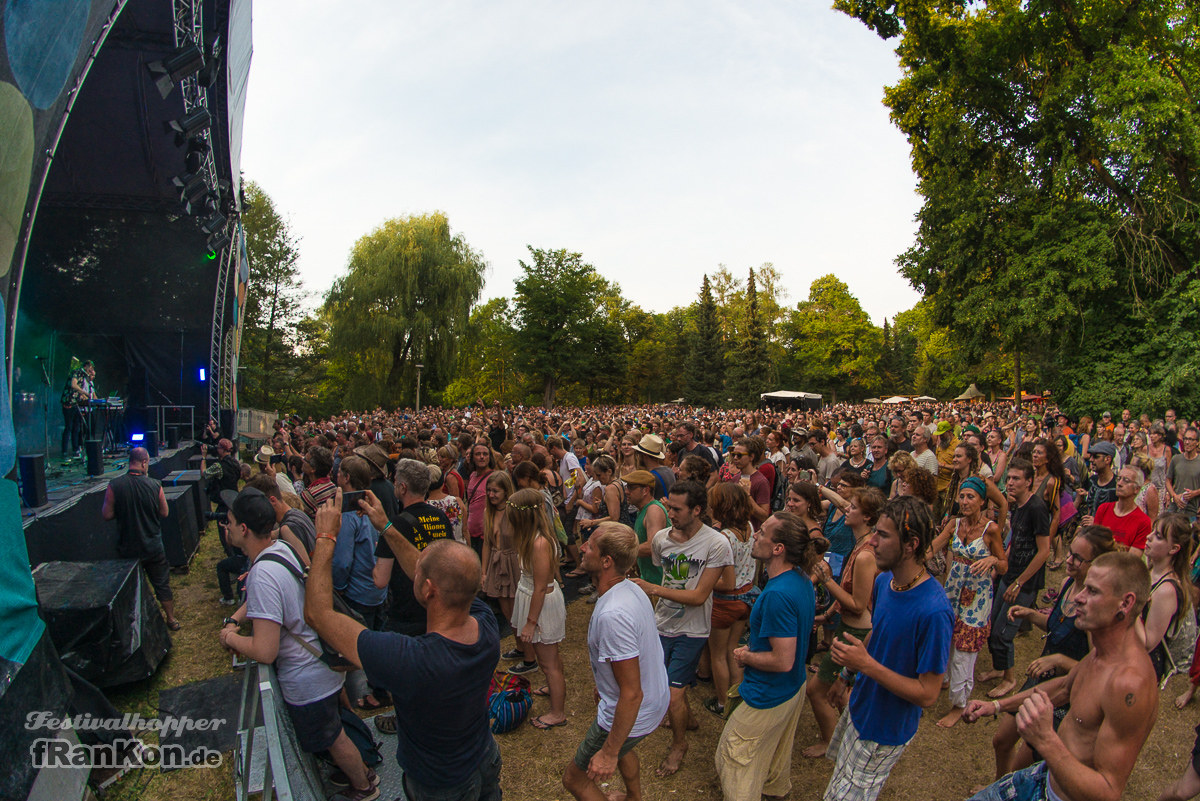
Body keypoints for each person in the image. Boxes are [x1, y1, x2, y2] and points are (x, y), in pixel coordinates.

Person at [307, 488, 501, 801]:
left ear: (427, 590)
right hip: (483, 758)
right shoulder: (485, 624)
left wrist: (325, 537)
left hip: (440, 784)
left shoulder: (410, 659)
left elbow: (319, 614)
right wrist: (385, 527)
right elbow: (429, 568)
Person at [218, 487, 377, 801]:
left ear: (244, 529)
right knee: (336, 731)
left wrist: (231, 637)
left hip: (307, 679)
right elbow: (270, 601)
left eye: (230, 522)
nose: (226, 527)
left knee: (333, 737)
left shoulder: (261, 573)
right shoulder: (279, 549)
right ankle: (359, 770)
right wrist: (238, 616)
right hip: (322, 665)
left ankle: (364, 786)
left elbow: (266, 649)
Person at [963, 552, 1159, 801]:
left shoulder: (1129, 685)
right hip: (1044, 776)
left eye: (1092, 591)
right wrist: (996, 706)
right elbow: (1065, 688)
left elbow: (1109, 791)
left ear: (1125, 603)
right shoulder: (1102, 652)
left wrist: (1045, 741)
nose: (1079, 598)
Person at [822, 495, 954, 801]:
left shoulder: (934, 612)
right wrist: (846, 675)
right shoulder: (886, 583)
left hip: (884, 730)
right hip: (861, 709)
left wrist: (865, 665)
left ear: (911, 544)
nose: (873, 543)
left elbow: (929, 694)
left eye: (883, 535)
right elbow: (877, 635)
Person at [986, 526, 1115, 781]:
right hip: (1039, 680)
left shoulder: (1093, 608)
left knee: (1023, 766)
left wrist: (1059, 660)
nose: (1069, 560)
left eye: (1078, 558)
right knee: (1001, 741)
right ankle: (999, 790)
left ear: (1097, 564)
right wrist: (1031, 614)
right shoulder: (1068, 584)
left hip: (1065, 694)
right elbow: (1056, 625)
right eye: (1070, 553)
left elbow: (1097, 667)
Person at [630, 480, 733, 779]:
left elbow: (700, 595)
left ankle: (679, 745)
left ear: (697, 510)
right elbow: (668, 577)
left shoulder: (716, 543)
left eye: (676, 509)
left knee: (671, 695)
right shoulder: (662, 540)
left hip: (693, 629)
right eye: (668, 506)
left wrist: (652, 589)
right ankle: (688, 721)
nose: (669, 513)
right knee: (666, 684)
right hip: (662, 624)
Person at [714, 512, 818, 801]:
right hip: (792, 689)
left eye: (762, 532)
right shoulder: (800, 578)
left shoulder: (777, 595)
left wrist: (747, 656)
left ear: (778, 548)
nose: (755, 535)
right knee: (773, 761)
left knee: (734, 757)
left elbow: (782, 659)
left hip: (768, 694)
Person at [562, 523, 669, 801]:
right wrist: (607, 684)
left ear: (606, 561)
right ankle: (634, 797)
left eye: (590, 546)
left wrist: (608, 753)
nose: (582, 548)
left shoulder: (613, 614)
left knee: (575, 778)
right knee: (625, 747)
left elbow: (631, 694)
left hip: (636, 710)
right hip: (652, 701)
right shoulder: (629, 588)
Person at [369, 458, 453, 733]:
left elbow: (380, 580)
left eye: (395, 482)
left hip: (406, 611)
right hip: (437, 606)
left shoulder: (394, 526)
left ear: (402, 488)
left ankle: (405, 719)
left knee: (405, 673)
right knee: (434, 670)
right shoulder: (440, 517)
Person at [804, 487, 881, 758]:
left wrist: (826, 580)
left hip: (856, 631)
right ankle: (853, 736)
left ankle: (831, 741)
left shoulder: (865, 555)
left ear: (868, 517)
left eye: (854, 508)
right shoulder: (860, 544)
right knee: (841, 690)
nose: (847, 509)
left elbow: (858, 604)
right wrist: (825, 616)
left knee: (816, 690)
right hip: (847, 627)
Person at [930, 476, 1008, 727]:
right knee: (947, 638)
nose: (964, 501)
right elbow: (933, 548)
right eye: (961, 496)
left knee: (965, 650)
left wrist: (993, 561)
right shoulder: (954, 524)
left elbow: (1005, 565)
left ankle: (959, 705)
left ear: (982, 501)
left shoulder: (991, 529)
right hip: (953, 590)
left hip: (977, 596)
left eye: (970, 497)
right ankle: (945, 681)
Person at [979, 458, 1051, 699]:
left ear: (1029, 482)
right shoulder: (1017, 506)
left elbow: (1044, 551)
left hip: (1024, 582)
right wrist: (1000, 565)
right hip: (1009, 575)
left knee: (1003, 632)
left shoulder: (1037, 508)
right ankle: (999, 669)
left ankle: (1010, 679)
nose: (1010, 482)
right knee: (992, 625)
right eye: (1008, 478)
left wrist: (1020, 582)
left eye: (1016, 479)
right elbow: (1014, 541)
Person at [507, 488, 569, 729]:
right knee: (549, 658)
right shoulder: (530, 538)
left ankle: (557, 713)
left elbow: (541, 587)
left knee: (549, 661)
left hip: (540, 605)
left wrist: (531, 623)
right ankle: (553, 689)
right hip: (532, 599)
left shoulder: (540, 543)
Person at [101, 447, 179, 630]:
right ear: (144, 462)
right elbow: (165, 512)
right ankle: (171, 619)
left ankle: (132, 625)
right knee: (162, 584)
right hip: (152, 546)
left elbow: (106, 514)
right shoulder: (155, 485)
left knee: (129, 588)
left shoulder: (114, 485)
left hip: (127, 547)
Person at [704, 482, 759, 718]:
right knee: (732, 651)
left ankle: (721, 702)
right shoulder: (749, 526)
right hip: (746, 597)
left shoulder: (723, 537)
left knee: (718, 654)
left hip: (725, 600)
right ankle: (736, 697)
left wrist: (700, 581)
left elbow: (726, 582)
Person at [1089, 466, 1153, 556]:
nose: (1119, 483)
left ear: (1137, 489)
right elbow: (1093, 544)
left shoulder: (1143, 521)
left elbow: (1132, 558)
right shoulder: (1103, 509)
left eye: (1126, 480)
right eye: (1118, 479)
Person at [624, 469, 668, 588]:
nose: (626, 491)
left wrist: (622, 552)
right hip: (649, 580)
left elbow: (651, 547)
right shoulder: (643, 510)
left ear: (645, 490)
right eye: (627, 487)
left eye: (631, 488)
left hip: (659, 584)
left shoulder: (653, 510)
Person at [60, 359, 96, 457]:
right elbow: (73, 385)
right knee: (68, 427)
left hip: (76, 403)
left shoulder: (84, 376)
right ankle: (64, 451)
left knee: (76, 427)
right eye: (90, 368)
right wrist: (84, 393)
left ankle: (76, 449)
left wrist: (83, 396)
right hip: (68, 402)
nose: (91, 371)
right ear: (87, 366)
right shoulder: (76, 372)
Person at [1167, 427, 1200, 520]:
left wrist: (1195, 493)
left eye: (1191, 439)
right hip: (1175, 507)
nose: (1187, 442)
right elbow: (1168, 480)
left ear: (1197, 442)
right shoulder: (1176, 459)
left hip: (1192, 510)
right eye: (1185, 439)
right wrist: (1174, 496)